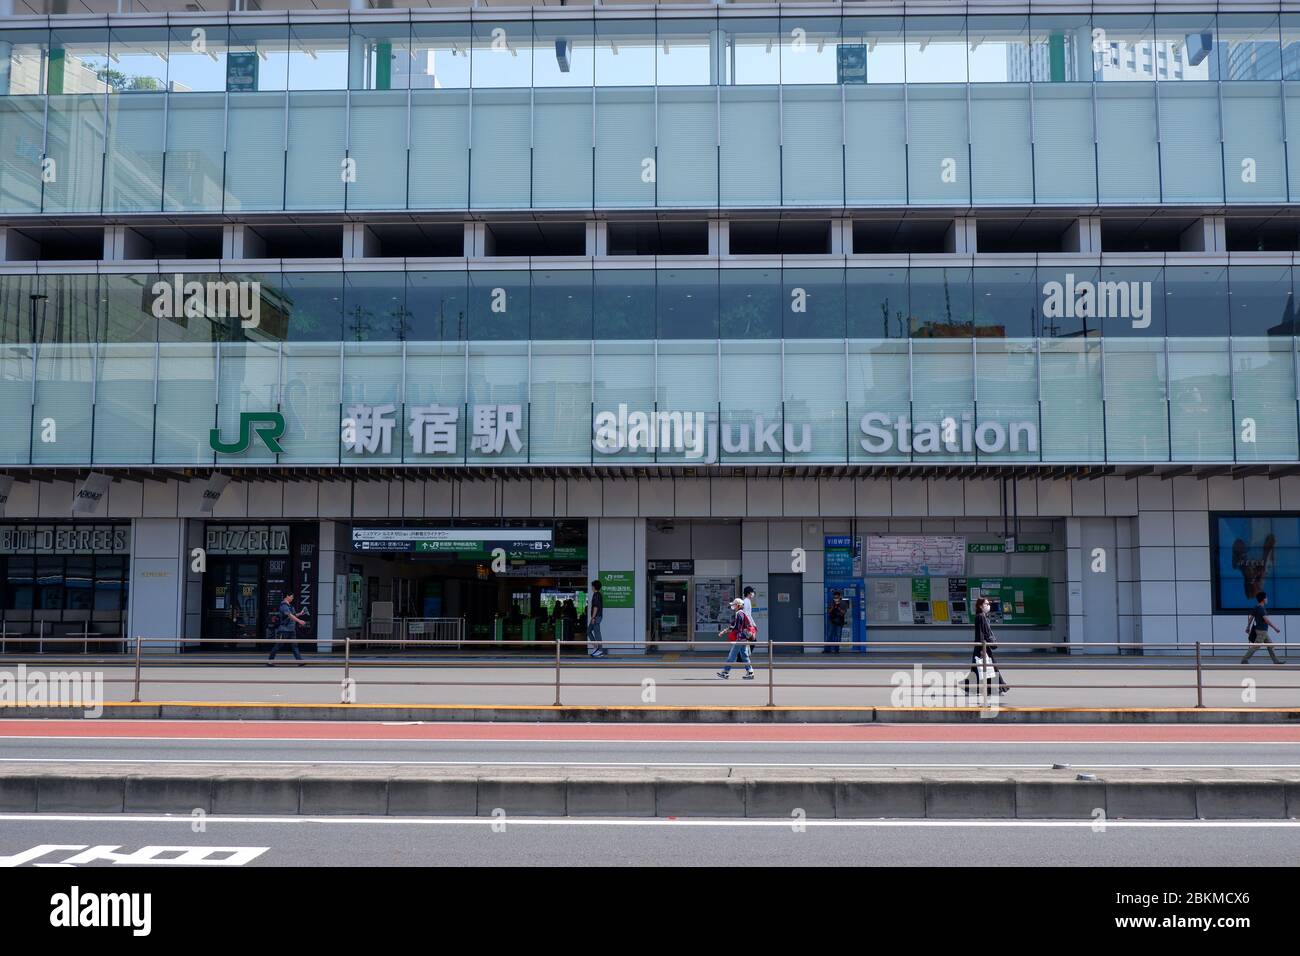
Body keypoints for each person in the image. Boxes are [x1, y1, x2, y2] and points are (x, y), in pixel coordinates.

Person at [965, 597, 1008, 697]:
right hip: (982, 646)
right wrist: (982, 648)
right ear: (980, 606)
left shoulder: (983, 616)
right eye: (986, 604)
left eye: (988, 604)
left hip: (982, 646)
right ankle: (1000, 687)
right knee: (989, 667)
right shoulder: (981, 616)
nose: (988, 605)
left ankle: (971, 688)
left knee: (979, 668)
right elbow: (981, 633)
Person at [716, 597, 756, 680]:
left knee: (732, 655)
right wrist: (725, 631)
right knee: (744, 656)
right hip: (743, 638)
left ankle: (725, 672)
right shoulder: (741, 613)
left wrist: (726, 631)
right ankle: (750, 672)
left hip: (740, 638)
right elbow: (734, 625)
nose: (733, 606)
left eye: (734, 605)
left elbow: (737, 627)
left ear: (738, 605)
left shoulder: (739, 614)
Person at [1243, 591, 1283, 665]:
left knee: (1270, 645)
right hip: (1262, 631)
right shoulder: (1261, 609)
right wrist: (1275, 628)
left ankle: (1276, 661)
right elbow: (1266, 620)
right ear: (1263, 599)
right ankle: (1244, 659)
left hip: (1260, 630)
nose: (1267, 599)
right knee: (1256, 646)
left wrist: (1248, 627)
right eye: (1266, 597)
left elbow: (1251, 618)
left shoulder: (1256, 607)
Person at [267, 591, 307, 666]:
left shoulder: (290, 606)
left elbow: (293, 615)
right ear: (287, 596)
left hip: (291, 630)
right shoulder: (283, 605)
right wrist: (299, 621)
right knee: (278, 645)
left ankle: (299, 662)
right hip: (284, 630)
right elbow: (289, 615)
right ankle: (270, 661)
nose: (292, 598)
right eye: (291, 597)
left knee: (294, 646)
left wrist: (300, 614)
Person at [587, 579, 606, 658]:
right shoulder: (598, 594)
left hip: (596, 617)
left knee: (597, 633)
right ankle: (597, 647)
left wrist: (593, 617)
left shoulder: (596, 595)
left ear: (594, 587)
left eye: (592, 586)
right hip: (597, 617)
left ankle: (600, 650)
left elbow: (596, 607)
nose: (591, 587)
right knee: (588, 631)